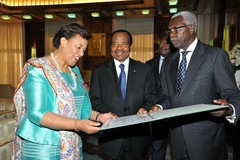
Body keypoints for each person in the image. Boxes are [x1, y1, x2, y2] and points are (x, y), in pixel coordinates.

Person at [11, 23, 117, 160]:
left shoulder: (74, 71)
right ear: (63, 41)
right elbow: (37, 114)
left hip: (71, 144)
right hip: (43, 148)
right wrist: (77, 124)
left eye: (84, 49)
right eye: (78, 47)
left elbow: (77, 108)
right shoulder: (38, 69)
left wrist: (99, 117)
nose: (81, 54)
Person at [149, 11, 240, 160]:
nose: (171, 35)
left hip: (207, 141)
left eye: (176, 29)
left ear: (191, 28)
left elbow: (232, 93)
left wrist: (229, 108)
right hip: (177, 139)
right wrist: (159, 107)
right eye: (169, 31)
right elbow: (166, 95)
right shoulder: (168, 62)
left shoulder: (215, 55)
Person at [89, 29, 156, 160]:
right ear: (110, 47)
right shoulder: (99, 71)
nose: (119, 48)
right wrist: (105, 113)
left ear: (130, 46)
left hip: (138, 137)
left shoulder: (145, 70)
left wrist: (145, 107)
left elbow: (151, 96)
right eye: (115, 44)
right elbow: (94, 98)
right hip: (110, 138)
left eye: (123, 44)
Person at [146, 34, 176, 160]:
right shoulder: (148, 64)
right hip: (157, 109)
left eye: (167, 43)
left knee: (178, 144)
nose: (163, 45)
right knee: (157, 144)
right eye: (161, 43)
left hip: (175, 108)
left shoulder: (179, 62)